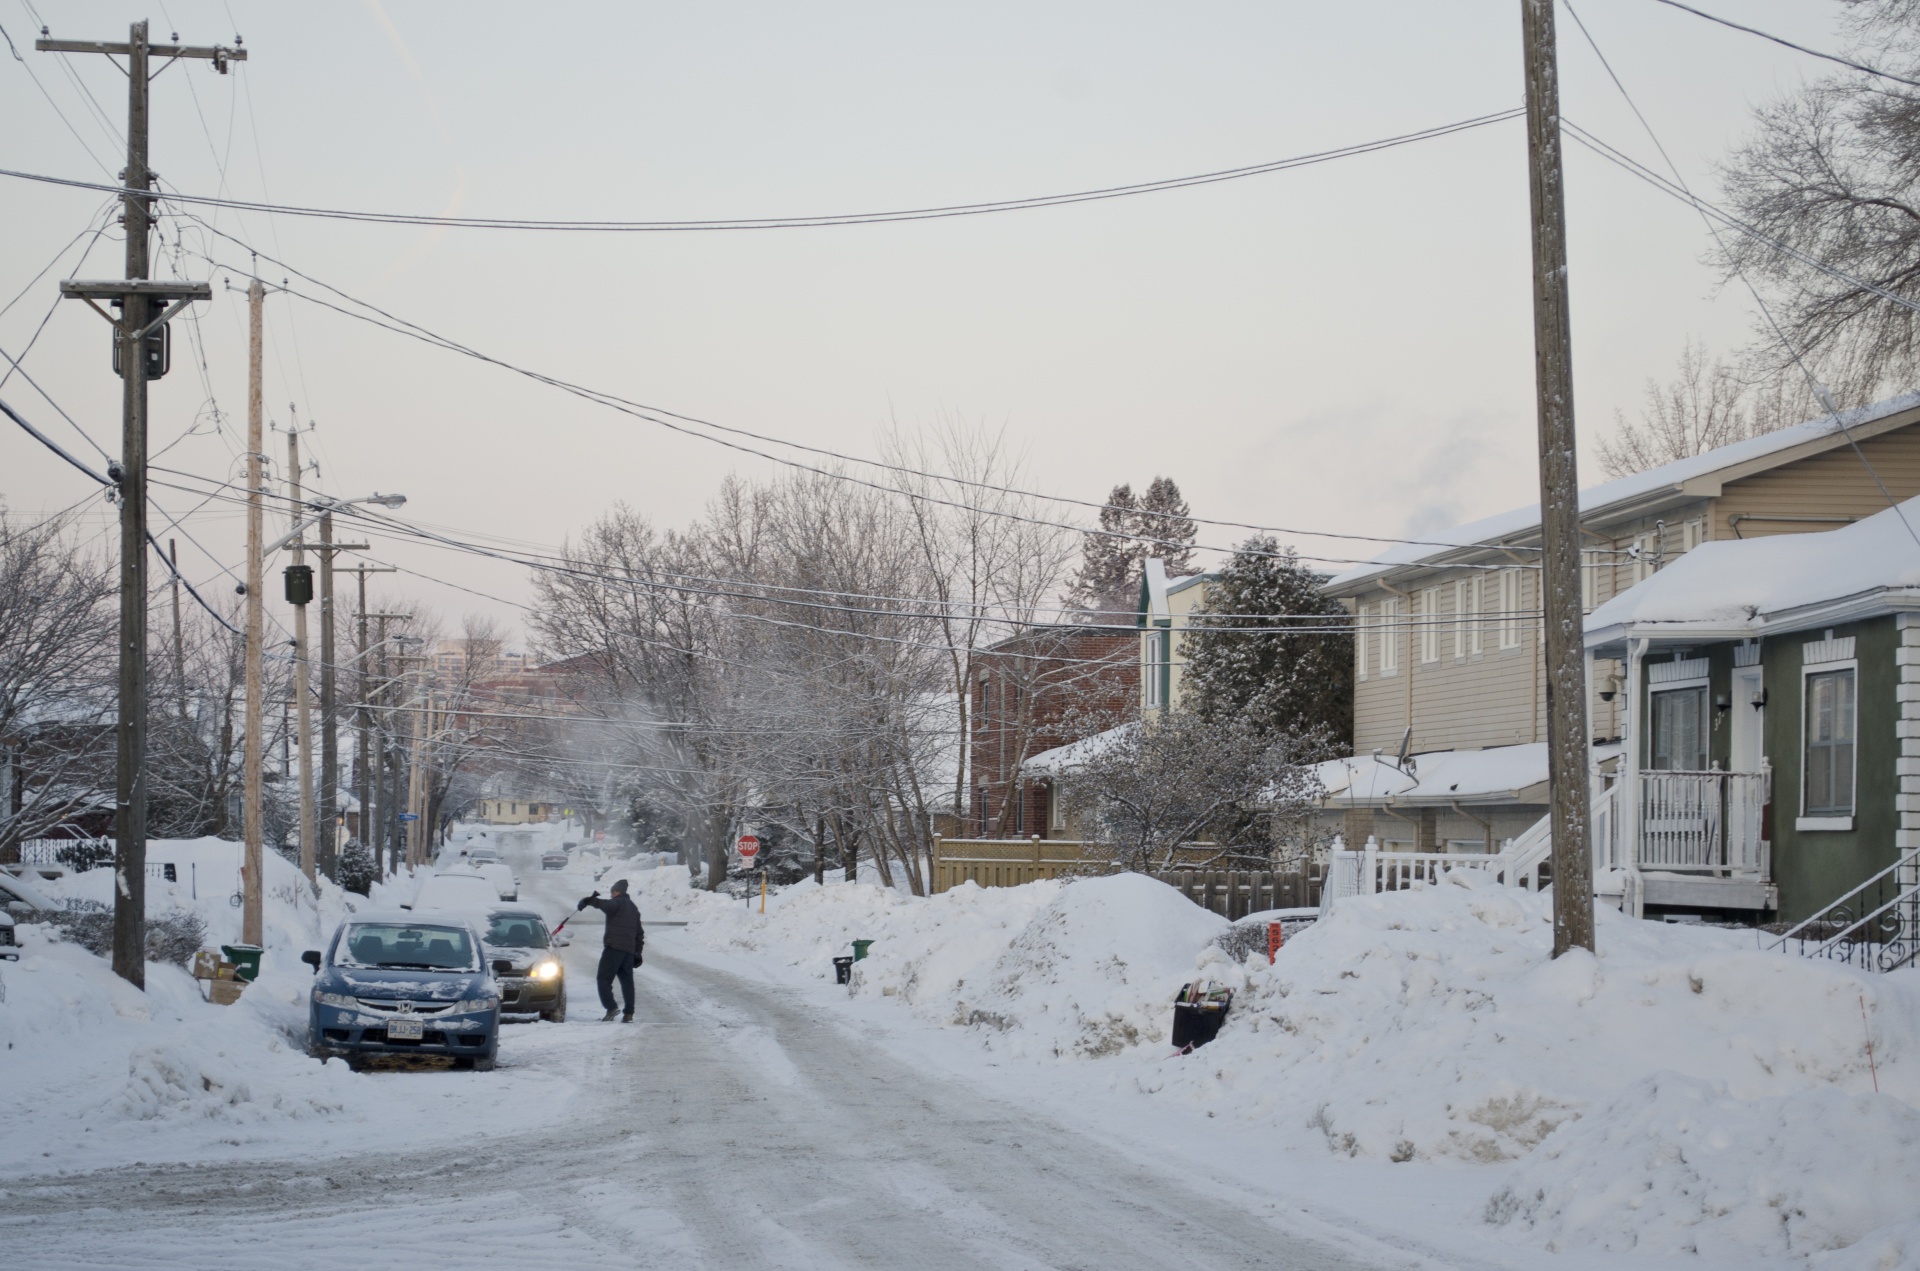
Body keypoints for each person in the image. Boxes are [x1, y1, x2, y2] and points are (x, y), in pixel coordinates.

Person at [576, 880, 644, 1022]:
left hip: (614, 949)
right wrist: (638, 952)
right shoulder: (633, 908)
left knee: (603, 979)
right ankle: (629, 1014)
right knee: (627, 982)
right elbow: (639, 933)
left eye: (615, 891)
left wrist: (588, 900)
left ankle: (611, 1007)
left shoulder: (617, 903)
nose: (613, 894)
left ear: (621, 892)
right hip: (628, 951)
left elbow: (606, 905)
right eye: (612, 891)